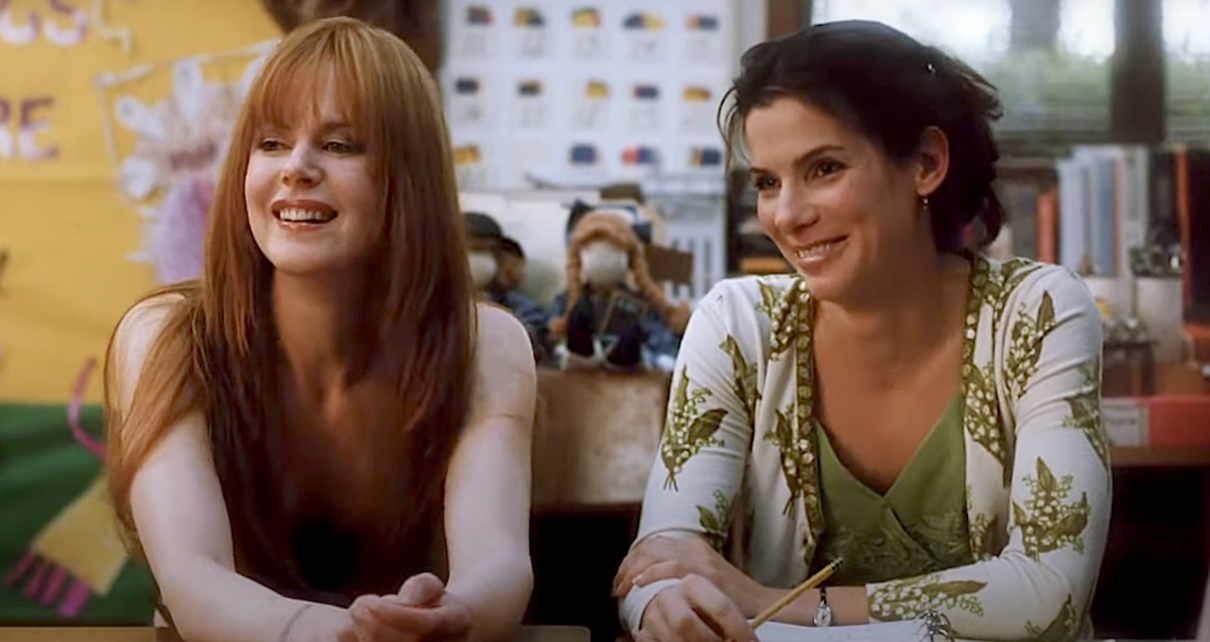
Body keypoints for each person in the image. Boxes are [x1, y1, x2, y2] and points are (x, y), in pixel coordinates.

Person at [613, 20, 1110, 642]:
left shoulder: (1035, 313)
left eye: (824, 168)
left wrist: (775, 605)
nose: (786, 215)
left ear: (926, 163)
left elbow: (1049, 594)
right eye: (767, 182)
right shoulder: (739, 326)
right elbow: (659, 561)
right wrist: (665, 607)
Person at [103, 18, 536, 642]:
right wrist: (334, 633)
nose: (296, 168)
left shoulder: (485, 345)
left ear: (410, 176)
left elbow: (498, 565)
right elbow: (193, 579)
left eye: (339, 145)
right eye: (271, 143)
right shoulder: (165, 337)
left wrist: (448, 617)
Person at [464, 212, 551, 364]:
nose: (480, 261)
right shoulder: (433, 302)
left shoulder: (523, 306)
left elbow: (534, 343)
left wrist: (497, 316)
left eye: (488, 252)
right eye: (474, 251)